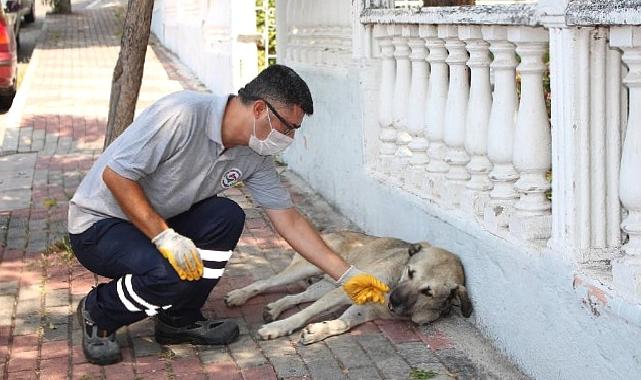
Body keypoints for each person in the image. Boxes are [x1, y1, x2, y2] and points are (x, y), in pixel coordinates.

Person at [67, 64, 389, 365]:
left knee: (227, 216)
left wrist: (346, 275)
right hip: (100, 225)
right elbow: (116, 177)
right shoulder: (181, 114)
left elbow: (288, 220)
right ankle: (99, 312)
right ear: (260, 109)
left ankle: (178, 318)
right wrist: (164, 236)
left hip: (157, 219)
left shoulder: (254, 154)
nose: (289, 138)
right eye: (287, 127)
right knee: (170, 274)